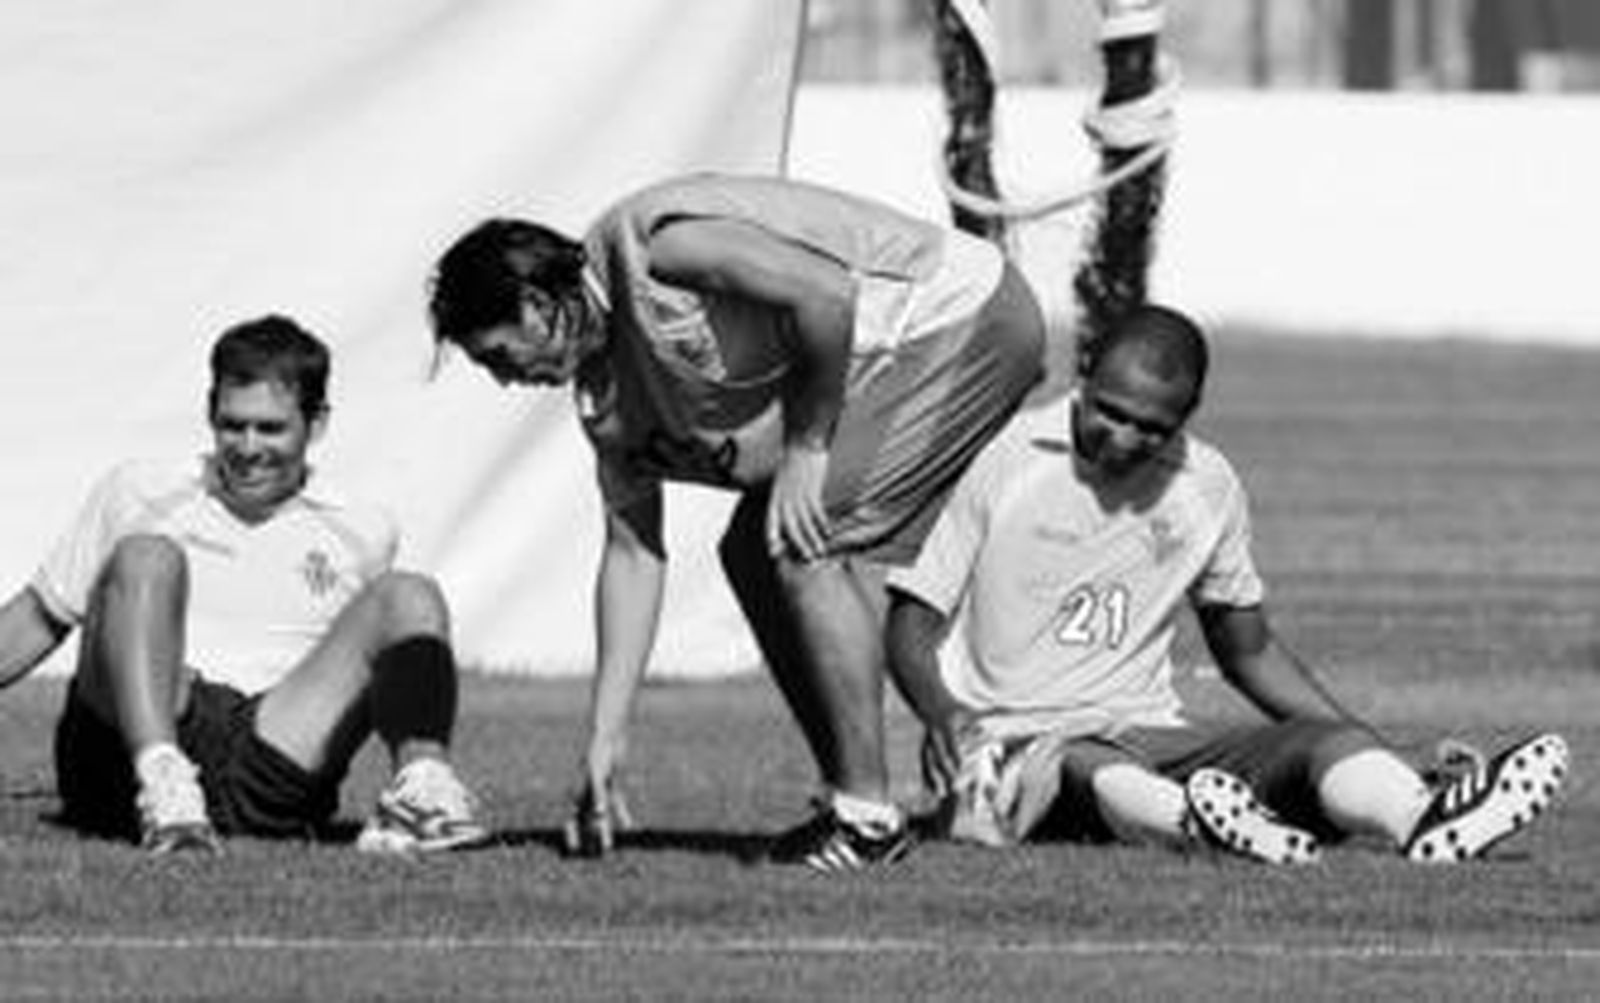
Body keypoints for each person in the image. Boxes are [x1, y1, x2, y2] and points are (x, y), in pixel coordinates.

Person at [427, 172, 1046, 870]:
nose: (506, 379)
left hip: (967, 316)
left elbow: (825, 292)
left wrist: (809, 447)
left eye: (499, 356)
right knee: (752, 548)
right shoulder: (604, 398)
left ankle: (870, 819)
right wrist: (605, 737)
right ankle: (850, 796)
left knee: (800, 541)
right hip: (909, 355)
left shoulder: (658, 246)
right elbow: (633, 553)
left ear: (539, 305)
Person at [884, 304, 1570, 864]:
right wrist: (945, 714)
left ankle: (1422, 816)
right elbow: (911, 621)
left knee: (1316, 741)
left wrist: (1370, 739)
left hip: (1148, 731)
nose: (1123, 438)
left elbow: (1248, 651)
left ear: (1189, 413)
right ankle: (1199, 824)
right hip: (1013, 743)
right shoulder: (1002, 459)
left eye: (1150, 428)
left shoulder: (1207, 485)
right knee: (1086, 761)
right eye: (1110, 412)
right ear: (1085, 374)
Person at [0, 315, 488, 854]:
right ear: (211, 415)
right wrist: (159, 758)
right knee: (148, 556)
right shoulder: (138, 489)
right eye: (233, 425)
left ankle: (424, 793)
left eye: (271, 428)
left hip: (272, 750)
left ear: (316, 423)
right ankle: (164, 782)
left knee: (410, 595)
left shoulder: (364, 526)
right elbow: (38, 618)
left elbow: (377, 678)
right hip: (131, 750)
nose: (249, 447)